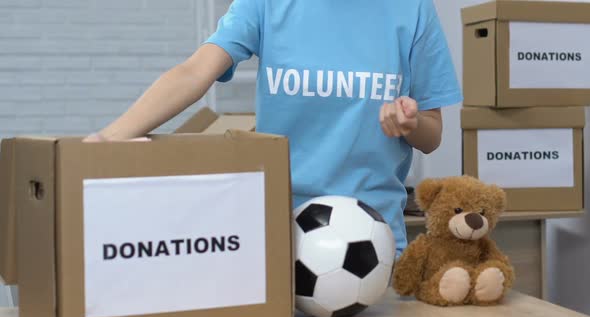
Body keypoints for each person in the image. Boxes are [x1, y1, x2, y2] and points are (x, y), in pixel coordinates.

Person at [85, 0, 462, 258]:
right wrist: (107, 139)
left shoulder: (412, 9)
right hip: (274, 238)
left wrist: (409, 123)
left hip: (370, 242)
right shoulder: (266, 4)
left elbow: (432, 135)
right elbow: (196, 71)